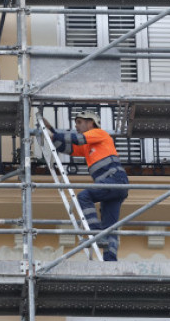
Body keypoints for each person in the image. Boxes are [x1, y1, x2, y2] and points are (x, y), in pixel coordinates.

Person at [43, 110, 128, 261]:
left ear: (91, 123)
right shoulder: (88, 146)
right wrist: (52, 133)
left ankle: (95, 233)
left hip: (114, 180)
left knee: (84, 196)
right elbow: (67, 147)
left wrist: (55, 133)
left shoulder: (99, 133)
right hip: (115, 184)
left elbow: (76, 138)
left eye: (79, 122)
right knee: (110, 227)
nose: (76, 126)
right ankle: (110, 262)